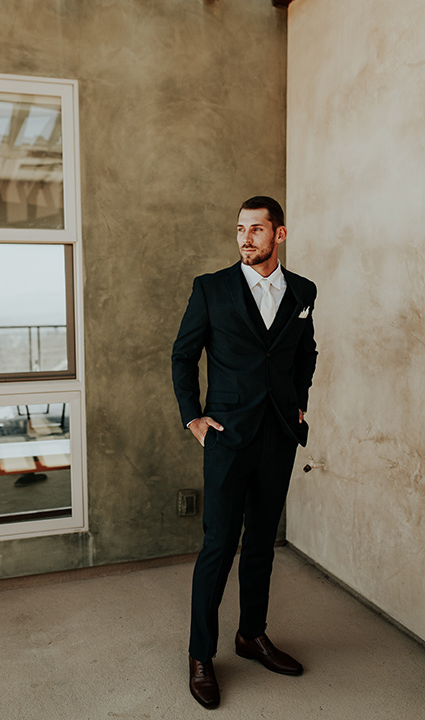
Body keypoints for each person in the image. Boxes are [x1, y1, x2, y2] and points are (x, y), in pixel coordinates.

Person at [171, 196, 318, 709]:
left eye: (256, 229)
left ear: (279, 234)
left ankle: (251, 635)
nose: (245, 237)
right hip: (227, 438)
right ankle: (200, 655)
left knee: (261, 545)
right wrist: (194, 418)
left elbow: (306, 350)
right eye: (240, 229)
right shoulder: (210, 289)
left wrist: (297, 404)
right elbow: (183, 354)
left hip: (277, 436)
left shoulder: (303, 291)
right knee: (219, 546)